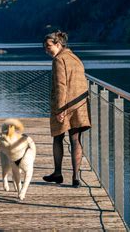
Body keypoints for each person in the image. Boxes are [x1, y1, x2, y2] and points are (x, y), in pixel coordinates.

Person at [42, 31, 91, 188]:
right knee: (75, 139)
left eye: (48, 46)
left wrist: (60, 109)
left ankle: (58, 173)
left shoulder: (59, 60)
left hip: (64, 105)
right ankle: (76, 177)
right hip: (79, 104)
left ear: (58, 44)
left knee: (58, 137)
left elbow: (61, 86)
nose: (46, 50)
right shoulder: (75, 58)